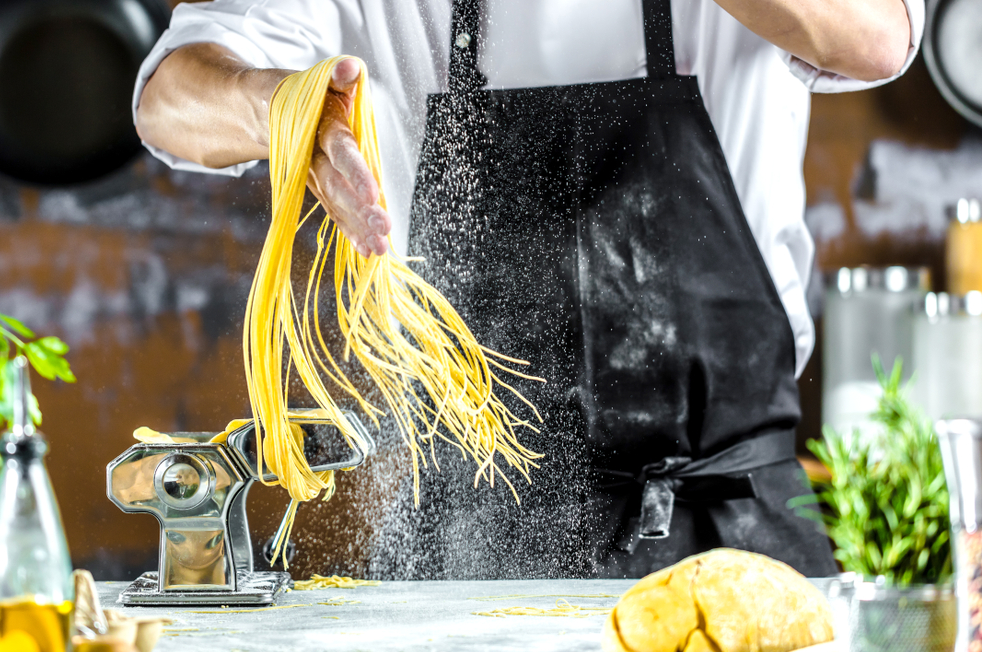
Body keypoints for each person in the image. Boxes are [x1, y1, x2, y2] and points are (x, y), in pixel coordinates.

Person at [134, 0, 921, 579]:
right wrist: (284, 109)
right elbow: (172, 93)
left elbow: (877, 35)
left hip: (731, 534)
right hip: (469, 544)